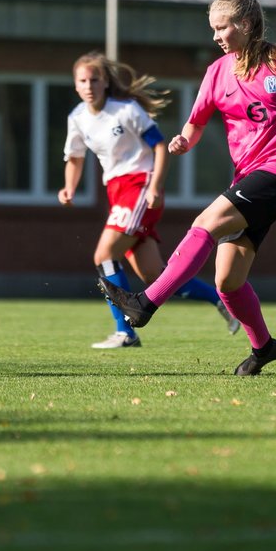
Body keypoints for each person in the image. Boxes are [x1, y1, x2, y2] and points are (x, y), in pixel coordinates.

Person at [100, 0, 276, 375]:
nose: (215, 36)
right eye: (212, 28)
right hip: (250, 179)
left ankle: (144, 303)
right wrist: (183, 141)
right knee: (228, 280)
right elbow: (194, 124)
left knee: (205, 224)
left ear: (244, 25)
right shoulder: (217, 72)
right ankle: (264, 347)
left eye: (221, 27)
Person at [60, 51, 241, 348]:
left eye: (95, 79)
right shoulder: (77, 118)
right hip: (117, 191)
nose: (89, 85)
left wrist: (155, 186)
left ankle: (125, 332)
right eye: (83, 81)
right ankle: (219, 299)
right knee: (155, 274)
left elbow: (159, 147)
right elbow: (75, 157)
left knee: (104, 255)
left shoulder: (126, 110)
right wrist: (69, 187)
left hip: (139, 186)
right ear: (76, 86)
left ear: (105, 82)